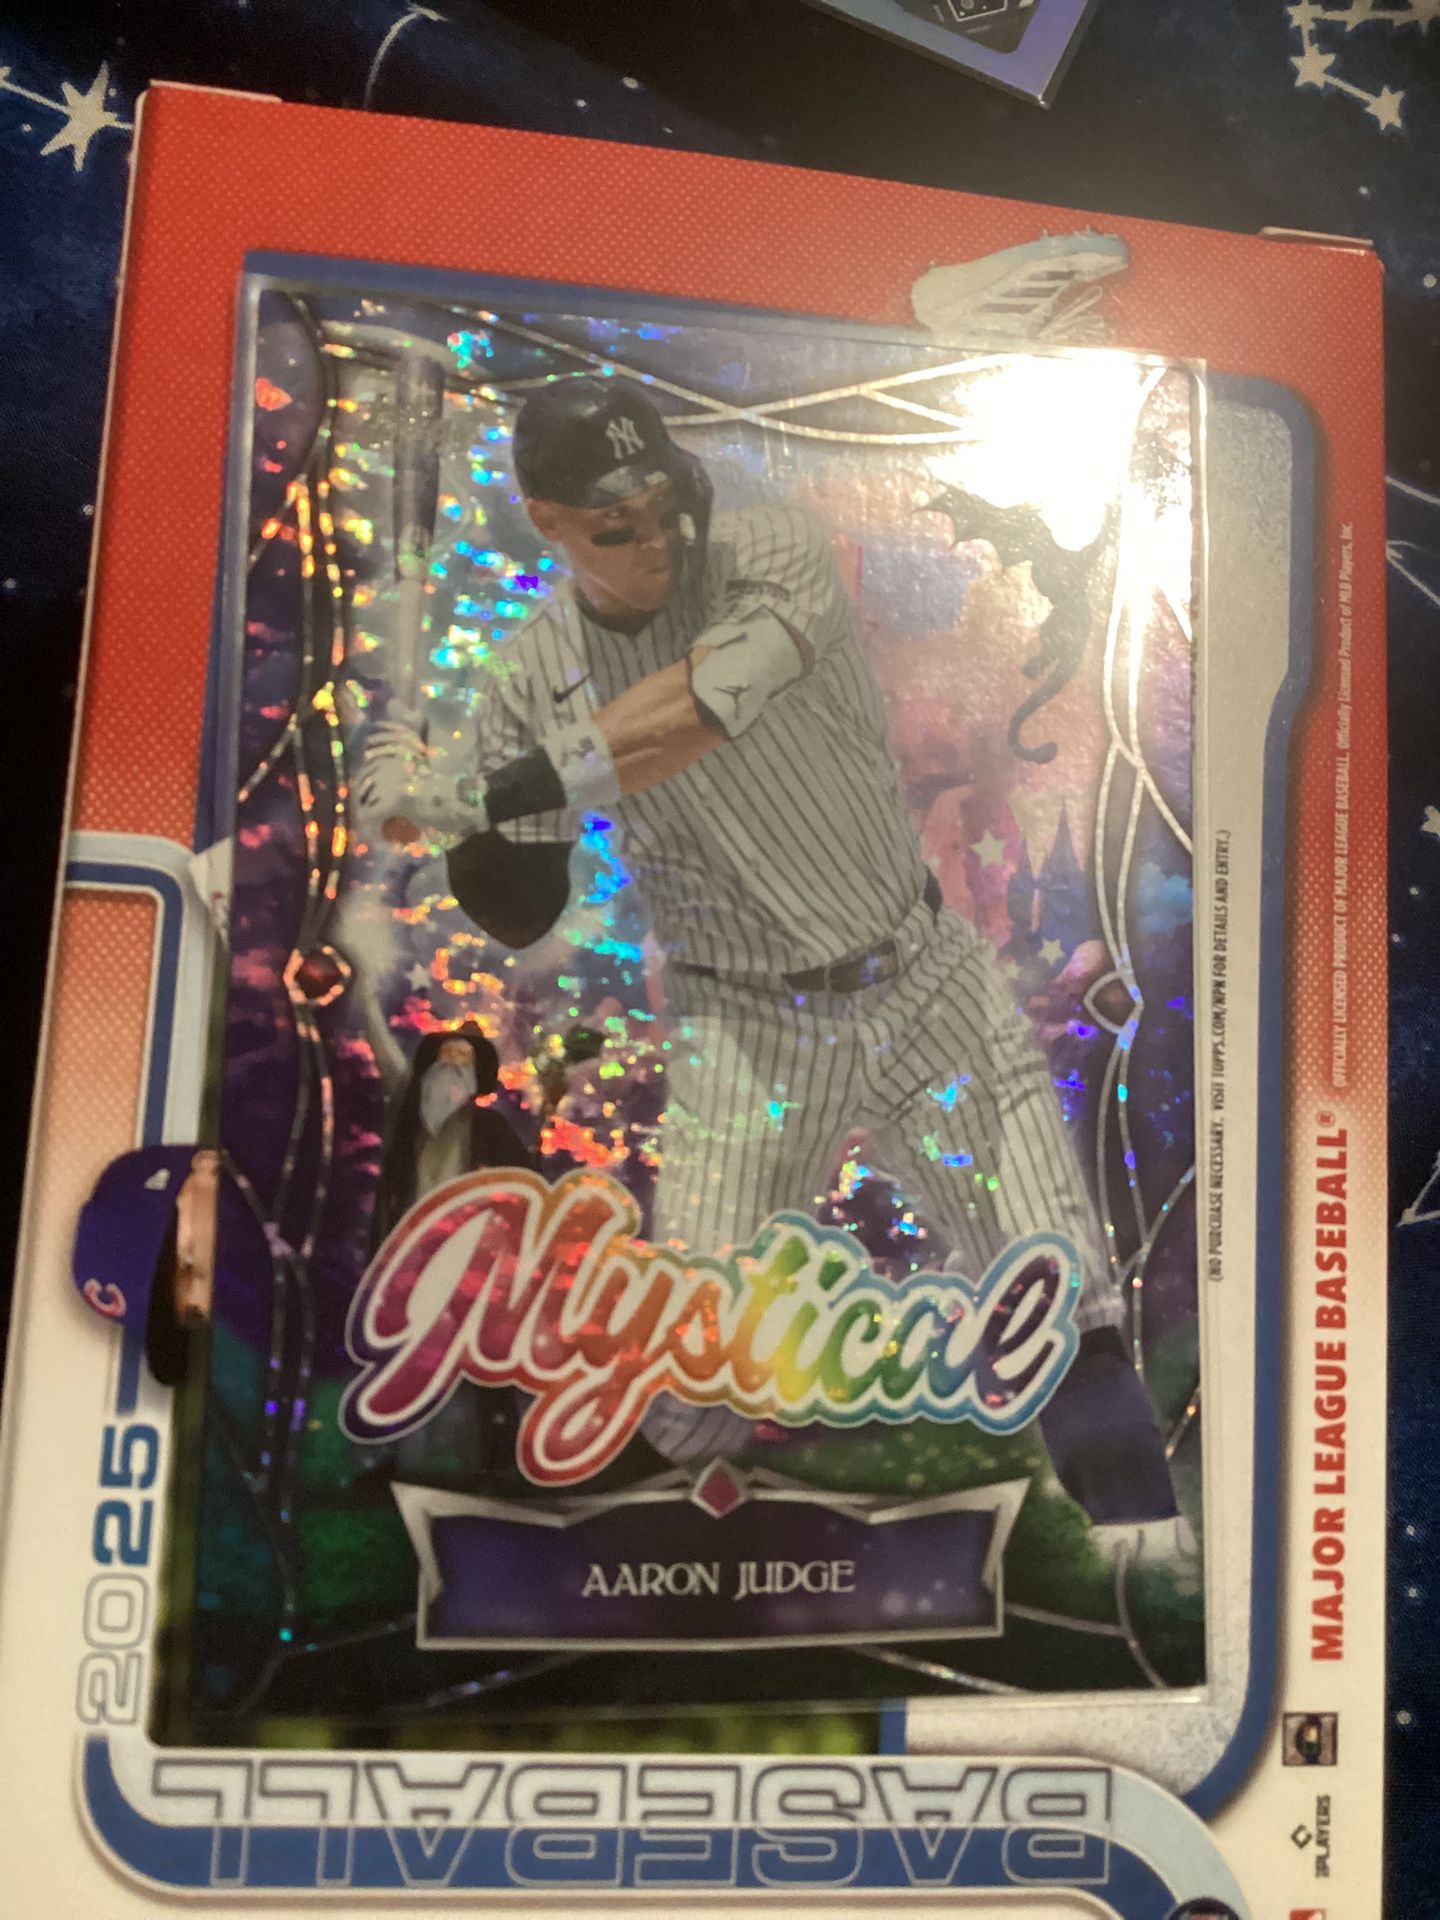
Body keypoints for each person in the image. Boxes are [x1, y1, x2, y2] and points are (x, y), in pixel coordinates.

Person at [357, 376, 1179, 1543]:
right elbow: (520, 912)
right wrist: (438, 816)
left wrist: (476, 793)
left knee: (1062, 1313)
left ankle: (1148, 1575)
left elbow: (697, 709)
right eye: (616, 525)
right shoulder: (529, 674)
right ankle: (600, 1598)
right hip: (744, 1037)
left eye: (665, 502)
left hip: (926, 985)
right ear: (549, 522)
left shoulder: (771, 552)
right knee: (691, 1386)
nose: (658, 539)